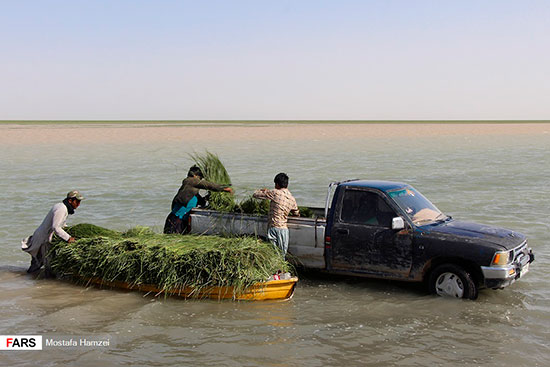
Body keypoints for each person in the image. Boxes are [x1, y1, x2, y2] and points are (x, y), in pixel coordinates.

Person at [21, 190, 84, 275]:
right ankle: (40, 283)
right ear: (70, 200)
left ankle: (28, 279)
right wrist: (68, 238)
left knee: (36, 264)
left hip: (41, 237)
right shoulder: (61, 209)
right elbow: (56, 227)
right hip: (43, 240)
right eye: (77, 201)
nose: (78, 204)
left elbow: (61, 225)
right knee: (48, 267)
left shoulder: (62, 207)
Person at [164, 165, 233, 234]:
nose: (200, 180)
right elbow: (209, 185)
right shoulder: (190, 180)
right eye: (200, 178)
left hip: (184, 220)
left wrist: (208, 198)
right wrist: (225, 189)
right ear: (195, 175)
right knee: (174, 236)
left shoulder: (192, 191)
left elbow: (201, 201)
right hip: (177, 219)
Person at [253, 173, 299, 257]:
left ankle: (275, 269)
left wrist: (263, 191)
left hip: (274, 228)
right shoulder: (292, 198)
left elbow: (255, 195)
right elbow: (296, 213)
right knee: (282, 256)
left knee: (273, 256)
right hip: (284, 231)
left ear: (277, 184)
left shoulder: (275, 193)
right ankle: (281, 270)